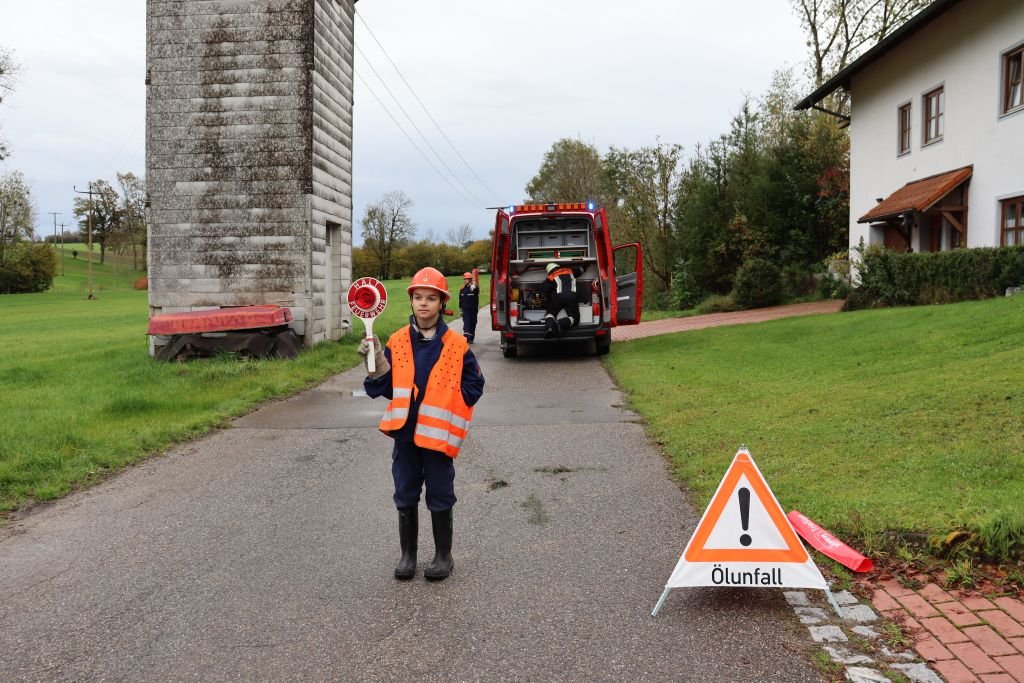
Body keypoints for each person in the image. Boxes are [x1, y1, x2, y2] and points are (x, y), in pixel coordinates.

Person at [358, 267, 485, 582]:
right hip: (405, 436)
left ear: (442, 303)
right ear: (411, 301)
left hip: (437, 439)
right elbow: (386, 387)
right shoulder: (398, 341)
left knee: (441, 494)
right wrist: (375, 365)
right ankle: (408, 556)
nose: (424, 304)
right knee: (405, 493)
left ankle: (444, 556)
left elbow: (475, 384)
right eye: (418, 297)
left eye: (431, 298)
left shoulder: (457, 344)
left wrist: (451, 402)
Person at [540, 262, 584, 338]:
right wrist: (586, 266)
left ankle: (550, 327)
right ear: (558, 267)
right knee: (575, 319)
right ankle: (560, 324)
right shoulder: (570, 271)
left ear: (549, 271)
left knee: (550, 313)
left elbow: (543, 290)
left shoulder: (551, 277)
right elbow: (581, 270)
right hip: (572, 296)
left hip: (559, 298)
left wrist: (546, 298)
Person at [458, 272, 479, 344]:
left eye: (466, 279)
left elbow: (477, 288)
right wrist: (461, 310)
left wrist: (474, 285)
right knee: (467, 323)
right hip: (465, 310)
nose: (464, 280)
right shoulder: (462, 290)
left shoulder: (474, 289)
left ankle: (471, 338)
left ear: (470, 280)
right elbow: (460, 301)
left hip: (473, 310)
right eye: (464, 279)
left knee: (473, 324)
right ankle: (466, 337)